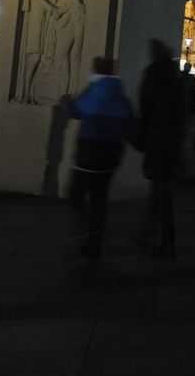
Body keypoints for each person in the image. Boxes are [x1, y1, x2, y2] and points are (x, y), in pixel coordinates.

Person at [65, 57, 134, 259]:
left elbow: (75, 112)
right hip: (111, 155)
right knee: (99, 197)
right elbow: (130, 124)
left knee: (76, 193)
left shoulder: (91, 93)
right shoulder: (122, 97)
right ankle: (95, 238)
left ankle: (86, 229)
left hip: (88, 153)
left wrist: (69, 101)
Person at [137, 39, 195, 258]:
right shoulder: (179, 78)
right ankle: (149, 233)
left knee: (162, 192)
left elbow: (145, 111)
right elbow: (193, 103)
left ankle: (167, 240)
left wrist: (142, 136)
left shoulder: (152, 77)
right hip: (174, 141)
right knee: (159, 189)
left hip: (158, 141)